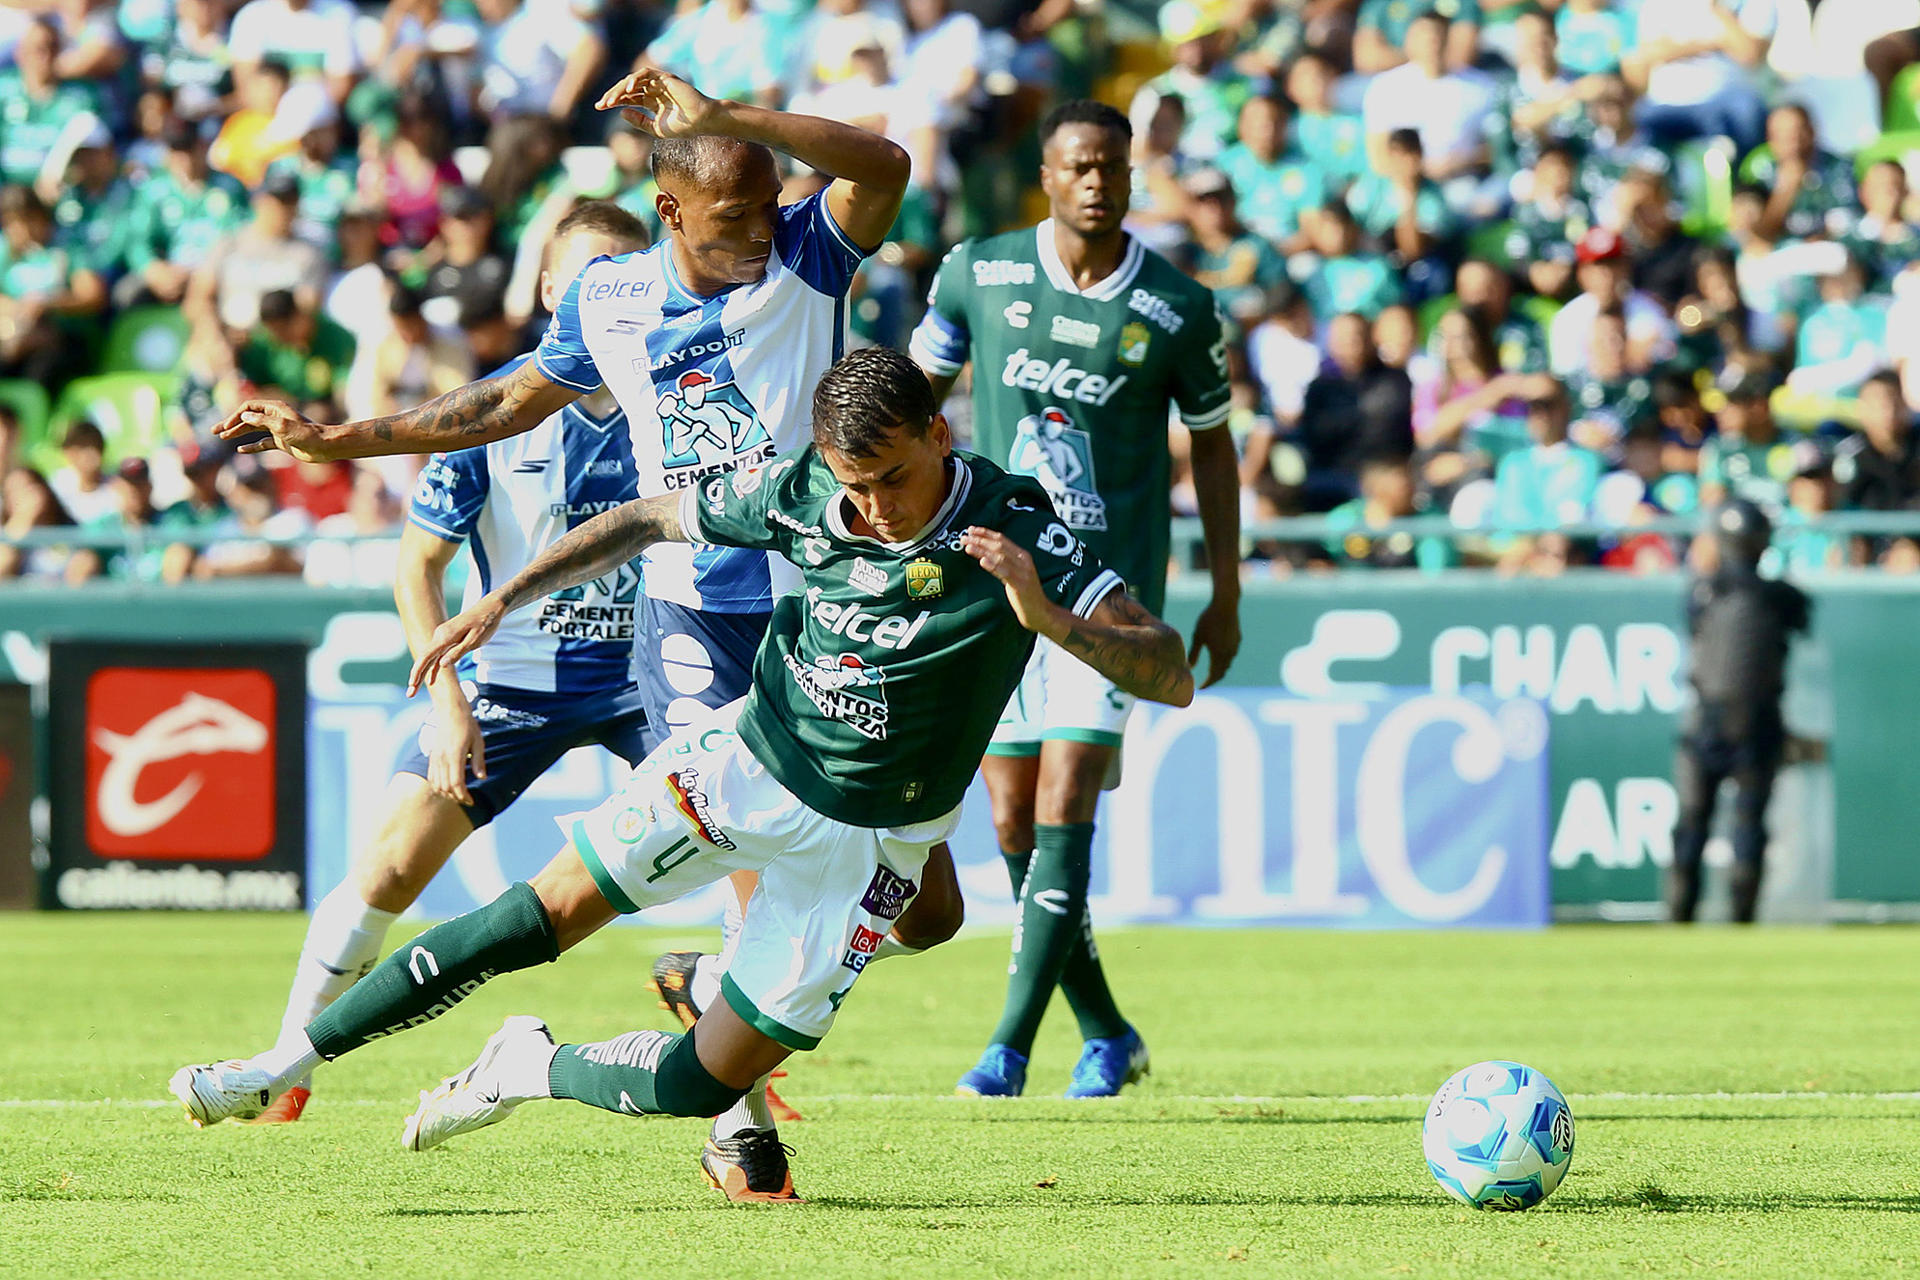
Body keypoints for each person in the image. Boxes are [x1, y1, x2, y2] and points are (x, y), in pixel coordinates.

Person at [169, 348, 1197, 1199]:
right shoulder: (800, 492)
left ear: (939, 433)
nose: (876, 505)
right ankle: (277, 1063)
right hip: (745, 762)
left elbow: (1170, 670)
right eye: (854, 483)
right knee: (541, 913)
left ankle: (526, 1064)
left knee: (701, 1085)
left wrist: (1046, 617)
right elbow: (646, 518)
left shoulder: (1018, 524)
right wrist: (500, 601)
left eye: (893, 476)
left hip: (868, 846)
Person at [205, 67, 923, 1193]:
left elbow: (886, 164)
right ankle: (735, 1125)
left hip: (822, 606)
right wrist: (338, 441)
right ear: (671, 211)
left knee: (924, 912)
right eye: (735, 215)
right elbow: (498, 405)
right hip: (690, 619)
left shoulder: (804, 256)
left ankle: (703, 1002)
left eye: (768, 207)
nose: (760, 232)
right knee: (739, 862)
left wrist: (724, 118)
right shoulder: (609, 300)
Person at [250, 203, 652, 1128]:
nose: (607, 293)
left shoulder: (677, 401)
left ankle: (741, 1071)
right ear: (549, 290)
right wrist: (447, 701)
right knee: (390, 869)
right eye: (587, 276)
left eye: (626, 276)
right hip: (511, 680)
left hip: (651, 675)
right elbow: (417, 567)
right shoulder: (494, 409)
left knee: (745, 849)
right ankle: (285, 1068)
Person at [909, 99, 1240, 1100]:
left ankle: (1006, 1049)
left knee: (1063, 799)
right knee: (1012, 814)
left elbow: (1213, 448)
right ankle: (1107, 1030)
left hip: (1110, 600)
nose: (1097, 182)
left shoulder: (1179, 306)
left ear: (1132, 177)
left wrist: (1225, 589)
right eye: (1080, 166)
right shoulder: (979, 272)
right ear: (1046, 176)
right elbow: (913, 406)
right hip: (998, 582)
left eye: (1113, 168)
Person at [1669, 499, 1810, 923]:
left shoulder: (1705, 591)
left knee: (1697, 820)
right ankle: (1737, 917)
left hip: (1712, 721)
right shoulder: (1779, 596)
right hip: (1754, 723)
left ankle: (1682, 915)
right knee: (1744, 821)